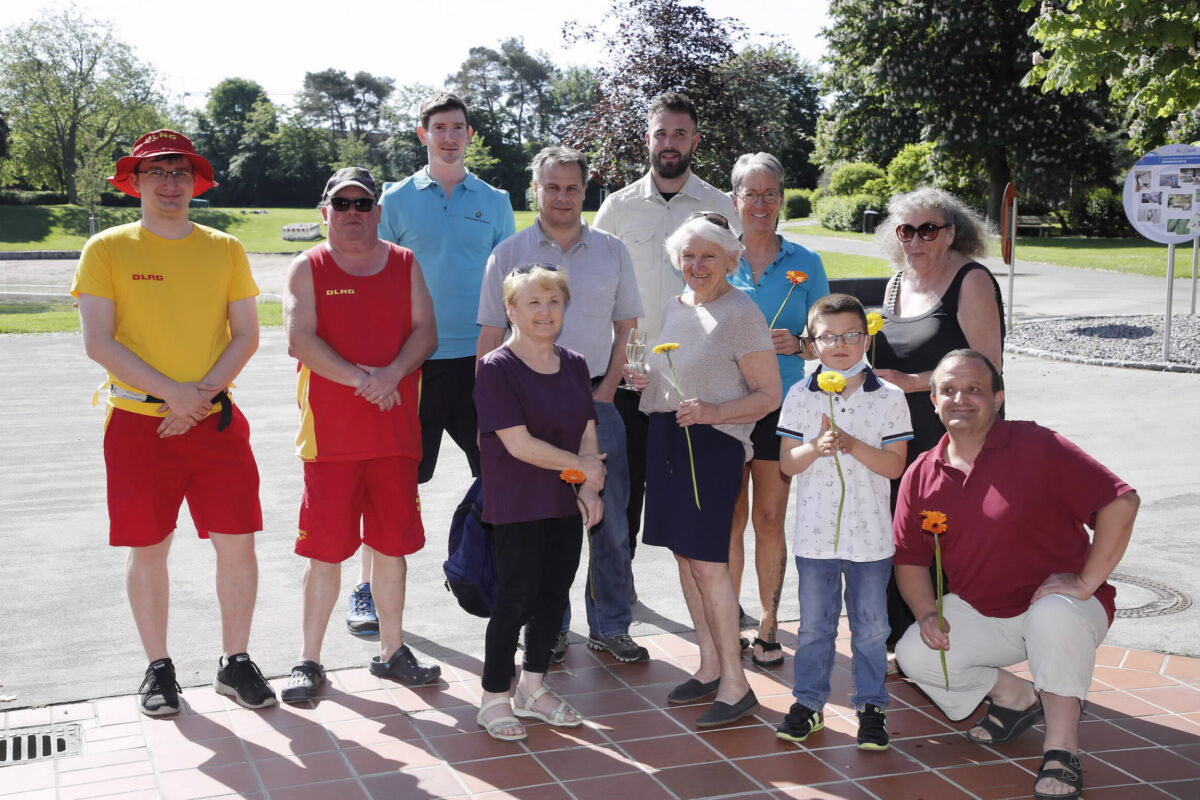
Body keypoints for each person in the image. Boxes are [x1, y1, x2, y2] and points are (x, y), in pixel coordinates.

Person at [71, 129, 275, 715]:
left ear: (195, 182)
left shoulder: (224, 248)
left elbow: (246, 335)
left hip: (214, 421)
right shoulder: (107, 249)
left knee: (238, 544)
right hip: (139, 425)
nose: (169, 182)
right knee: (149, 547)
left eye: (180, 171)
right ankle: (159, 669)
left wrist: (199, 399)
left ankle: (235, 663)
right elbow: (98, 342)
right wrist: (173, 397)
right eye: (156, 171)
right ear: (133, 181)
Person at [893, 350, 1138, 800]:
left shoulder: (1037, 445)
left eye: (974, 390)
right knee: (916, 654)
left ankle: (1062, 749)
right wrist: (928, 613)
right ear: (932, 400)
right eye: (948, 390)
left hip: (1064, 608)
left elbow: (1121, 503)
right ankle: (1016, 699)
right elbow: (909, 559)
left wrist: (1086, 582)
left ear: (998, 398)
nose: (960, 399)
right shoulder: (921, 474)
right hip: (985, 609)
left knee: (1053, 617)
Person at [477, 146, 647, 664]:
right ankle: (549, 630)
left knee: (610, 524)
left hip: (595, 397)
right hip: (527, 408)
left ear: (585, 189)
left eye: (572, 187)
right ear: (536, 190)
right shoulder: (508, 251)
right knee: (543, 528)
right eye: (552, 186)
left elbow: (627, 328)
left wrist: (599, 395)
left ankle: (611, 625)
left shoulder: (613, 250)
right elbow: (488, 334)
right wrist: (492, 406)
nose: (562, 197)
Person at [280, 168, 440, 702]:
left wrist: (391, 375)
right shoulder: (308, 266)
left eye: (362, 203)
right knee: (324, 553)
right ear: (325, 210)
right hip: (331, 442)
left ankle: (392, 651)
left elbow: (425, 332)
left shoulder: (404, 263)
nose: (352, 212)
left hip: (394, 436)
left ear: (377, 210)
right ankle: (309, 660)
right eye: (341, 203)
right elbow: (300, 340)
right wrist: (365, 380)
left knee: (391, 549)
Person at [366, 92, 515, 633]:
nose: (449, 136)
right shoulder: (396, 200)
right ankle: (369, 588)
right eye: (439, 128)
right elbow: (377, 280)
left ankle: (495, 573)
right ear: (422, 134)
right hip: (414, 366)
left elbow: (510, 282)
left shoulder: (495, 200)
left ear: (470, 136)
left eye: (458, 128)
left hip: (481, 362)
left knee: (498, 473)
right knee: (394, 484)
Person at [625, 214, 779, 728]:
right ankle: (711, 665)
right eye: (688, 256)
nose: (696, 265)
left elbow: (768, 395)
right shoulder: (674, 307)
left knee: (710, 562)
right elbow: (677, 376)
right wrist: (644, 379)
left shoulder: (742, 312)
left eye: (708, 256)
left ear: (730, 260)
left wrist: (713, 412)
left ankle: (737, 685)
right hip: (668, 439)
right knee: (686, 558)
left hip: (713, 446)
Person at [593, 92, 739, 562]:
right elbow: (597, 288)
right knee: (621, 495)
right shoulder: (617, 208)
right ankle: (617, 602)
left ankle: (718, 594)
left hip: (700, 380)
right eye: (661, 133)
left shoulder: (721, 207)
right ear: (647, 139)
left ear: (695, 140)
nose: (670, 143)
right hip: (631, 380)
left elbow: (737, 288)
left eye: (680, 133)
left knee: (701, 493)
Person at [773, 294, 912, 751]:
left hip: (871, 539)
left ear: (867, 339)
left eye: (851, 335)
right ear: (811, 344)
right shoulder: (800, 394)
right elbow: (788, 465)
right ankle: (809, 703)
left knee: (871, 628)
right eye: (827, 337)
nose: (840, 345)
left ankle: (871, 706)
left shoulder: (888, 397)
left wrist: (852, 444)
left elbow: (894, 467)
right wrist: (815, 446)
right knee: (815, 626)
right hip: (814, 538)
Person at [473, 265, 605, 742]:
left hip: (562, 501)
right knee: (514, 600)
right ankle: (492, 697)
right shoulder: (495, 368)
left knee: (554, 595)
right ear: (511, 309)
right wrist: (583, 468)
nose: (545, 311)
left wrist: (589, 487)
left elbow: (588, 430)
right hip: (517, 502)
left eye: (553, 301)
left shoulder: (573, 362)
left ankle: (532, 687)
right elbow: (518, 444)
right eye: (533, 302)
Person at [869, 187, 1005, 649]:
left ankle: (964, 645)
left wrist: (911, 382)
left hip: (955, 434)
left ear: (951, 233)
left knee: (952, 539)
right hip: (897, 437)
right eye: (906, 230)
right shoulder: (894, 283)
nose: (916, 240)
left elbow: (987, 366)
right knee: (904, 537)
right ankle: (906, 642)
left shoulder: (971, 280)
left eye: (928, 229)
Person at [726, 152, 829, 668]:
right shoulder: (718, 257)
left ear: (782, 200)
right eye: (752, 194)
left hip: (782, 408)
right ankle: (729, 621)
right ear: (735, 200)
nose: (761, 204)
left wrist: (801, 344)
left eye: (771, 194)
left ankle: (768, 624)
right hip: (727, 407)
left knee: (768, 519)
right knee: (730, 520)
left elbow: (833, 343)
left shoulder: (806, 263)